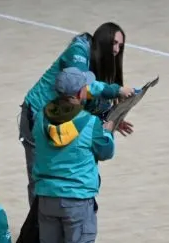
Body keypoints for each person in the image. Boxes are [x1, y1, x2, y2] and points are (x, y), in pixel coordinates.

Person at [32, 67, 117, 243]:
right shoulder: (89, 123)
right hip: (78, 199)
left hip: (46, 196)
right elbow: (106, 152)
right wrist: (109, 130)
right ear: (80, 92)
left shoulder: (40, 118)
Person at [18, 22, 135, 209]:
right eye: (113, 43)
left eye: (120, 46)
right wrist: (116, 90)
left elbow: (90, 100)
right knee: (41, 179)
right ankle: (37, 233)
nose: (116, 50)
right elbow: (80, 88)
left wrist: (112, 117)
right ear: (102, 39)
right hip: (37, 115)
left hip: (62, 117)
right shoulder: (79, 51)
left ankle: (55, 225)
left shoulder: (99, 63)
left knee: (60, 175)